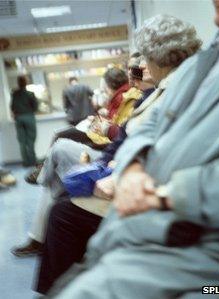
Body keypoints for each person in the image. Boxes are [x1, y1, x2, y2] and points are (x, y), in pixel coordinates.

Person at [40, 10, 219, 299]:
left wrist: (162, 194)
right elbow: (147, 128)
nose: (217, 21)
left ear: (156, 59)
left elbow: (129, 130)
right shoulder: (202, 65)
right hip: (149, 207)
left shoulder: (178, 80)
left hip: (192, 235)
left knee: (65, 214)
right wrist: (132, 165)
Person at [10, 67, 140, 257]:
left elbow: (121, 136)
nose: (135, 71)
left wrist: (105, 130)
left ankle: (42, 171)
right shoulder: (130, 97)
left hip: (116, 158)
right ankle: (44, 172)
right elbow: (122, 133)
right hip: (113, 153)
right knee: (52, 145)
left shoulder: (131, 98)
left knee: (48, 144)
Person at [10, 76, 38, 167]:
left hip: (18, 118)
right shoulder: (30, 94)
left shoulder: (14, 93)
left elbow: (12, 106)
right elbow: (35, 107)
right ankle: (32, 161)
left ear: (18, 83)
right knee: (31, 140)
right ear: (26, 83)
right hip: (29, 117)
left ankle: (25, 162)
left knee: (22, 141)